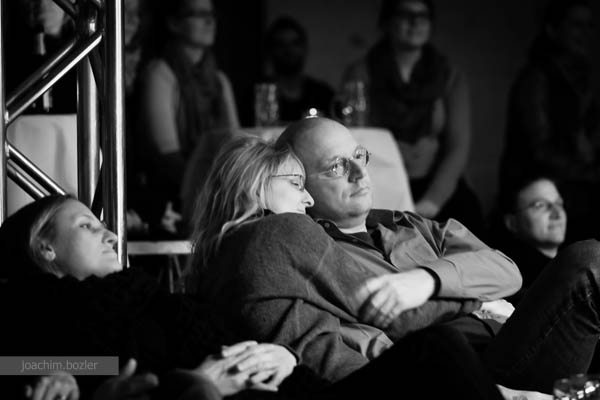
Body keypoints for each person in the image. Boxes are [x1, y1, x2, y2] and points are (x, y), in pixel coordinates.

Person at [270, 116, 600, 393]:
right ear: (302, 187)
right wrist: (475, 299)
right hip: (459, 369)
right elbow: (382, 339)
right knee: (587, 262)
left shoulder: (411, 224)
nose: (359, 172)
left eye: (359, 155)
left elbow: (506, 272)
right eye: (336, 167)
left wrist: (426, 280)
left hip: (517, 339)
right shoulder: (315, 256)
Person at [184, 136, 525, 399]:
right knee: (438, 345)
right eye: (296, 184)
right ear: (255, 186)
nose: (308, 200)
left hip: (306, 382)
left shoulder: (212, 257)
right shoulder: (282, 230)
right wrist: (478, 303)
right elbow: (393, 315)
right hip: (337, 383)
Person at [0, 195, 298, 399]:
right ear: (45, 247)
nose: (111, 237)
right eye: (86, 226)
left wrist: (285, 357)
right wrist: (197, 384)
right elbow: (20, 365)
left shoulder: (150, 298)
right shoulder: (31, 315)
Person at [342, 0, 483, 234]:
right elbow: (354, 135)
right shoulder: (362, 72)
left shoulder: (448, 75)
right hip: (380, 180)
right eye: (405, 14)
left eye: (423, 16)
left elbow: (458, 146)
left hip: (435, 183)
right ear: (387, 22)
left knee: (466, 223)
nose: (415, 22)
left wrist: (432, 201)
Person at [131, 0, 239, 236]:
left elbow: (236, 143)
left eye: (211, 14)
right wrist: (213, 192)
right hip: (172, 197)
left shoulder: (219, 80)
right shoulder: (160, 73)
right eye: (198, 14)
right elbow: (166, 156)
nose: (209, 21)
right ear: (174, 23)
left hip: (217, 190)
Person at [500, 0, 600, 243]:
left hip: (576, 185)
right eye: (576, 25)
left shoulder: (584, 78)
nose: (585, 34)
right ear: (553, 30)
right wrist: (591, 173)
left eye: (589, 26)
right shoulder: (536, 79)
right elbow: (538, 151)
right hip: (541, 186)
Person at [490, 175, 567, 304]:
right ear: (512, 223)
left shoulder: (566, 265)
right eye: (540, 205)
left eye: (559, 204)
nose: (557, 214)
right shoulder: (513, 278)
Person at [262, 16, 335, 121]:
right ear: (270, 50)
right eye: (281, 44)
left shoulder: (323, 95)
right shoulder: (257, 96)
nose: (289, 50)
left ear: (304, 48)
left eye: (295, 43)